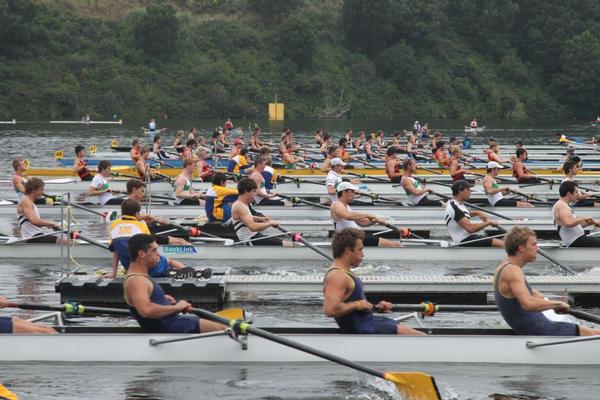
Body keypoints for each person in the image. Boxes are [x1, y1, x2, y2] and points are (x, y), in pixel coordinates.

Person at [494, 226, 600, 336]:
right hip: (539, 329)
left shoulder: (503, 266)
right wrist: (557, 304)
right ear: (521, 248)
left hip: (534, 325)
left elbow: (522, 296)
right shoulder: (512, 271)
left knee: (587, 330)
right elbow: (528, 304)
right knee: (594, 333)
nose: (537, 248)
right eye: (534, 244)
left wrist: (540, 298)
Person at [323, 228, 424, 335]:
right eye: (360, 249)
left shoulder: (344, 272)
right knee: (420, 337)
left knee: (413, 332)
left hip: (369, 322)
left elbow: (352, 306)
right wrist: (357, 304)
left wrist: (375, 306)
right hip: (362, 329)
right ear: (347, 250)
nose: (363, 254)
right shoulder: (337, 276)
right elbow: (330, 310)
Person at [123, 234, 224, 333]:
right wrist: (177, 307)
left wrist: (160, 298)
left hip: (170, 321)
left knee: (221, 323)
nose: (158, 254)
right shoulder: (136, 280)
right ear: (141, 254)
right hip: (170, 325)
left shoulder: (138, 276)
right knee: (224, 328)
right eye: (154, 250)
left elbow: (145, 303)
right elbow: (146, 310)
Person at [108, 200, 187, 279]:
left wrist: (113, 274)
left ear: (122, 212)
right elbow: (152, 246)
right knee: (168, 261)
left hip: (129, 269)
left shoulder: (114, 225)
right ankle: (189, 271)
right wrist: (158, 256)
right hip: (148, 268)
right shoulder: (141, 225)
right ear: (137, 214)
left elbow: (116, 251)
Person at [331, 182, 400, 247]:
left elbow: (362, 222)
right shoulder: (337, 204)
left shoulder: (346, 206)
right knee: (394, 245)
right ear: (344, 192)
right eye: (352, 191)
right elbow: (347, 216)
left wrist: (375, 220)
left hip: (357, 237)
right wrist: (368, 215)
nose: (354, 194)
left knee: (396, 245)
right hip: (350, 240)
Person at [125, 180, 190, 246]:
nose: (143, 194)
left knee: (181, 239)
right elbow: (129, 219)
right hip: (141, 237)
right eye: (142, 191)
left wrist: (157, 221)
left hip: (146, 232)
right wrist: (152, 217)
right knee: (180, 242)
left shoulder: (136, 205)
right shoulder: (127, 205)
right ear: (134, 190)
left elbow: (141, 220)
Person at [231, 178, 292, 245]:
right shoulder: (240, 207)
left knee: (283, 242)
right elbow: (253, 227)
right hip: (250, 240)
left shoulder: (242, 203)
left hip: (254, 237)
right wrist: (270, 223)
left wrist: (261, 218)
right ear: (246, 191)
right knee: (287, 244)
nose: (255, 194)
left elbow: (246, 217)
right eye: (253, 191)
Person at [445, 180, 504, 247]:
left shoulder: (455, 203)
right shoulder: (455, 208)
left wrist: (478, 213)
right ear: (460, 191)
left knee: (497, 236)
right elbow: (470, 229)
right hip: (464, 240)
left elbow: (462, 215)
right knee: (501, 243)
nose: (470, 192)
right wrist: (488, 223)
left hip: (467, 237)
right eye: (468, 189)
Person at [17, 178, 68, 244]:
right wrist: (52, 223)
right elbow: (34, 221)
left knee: (67, 240)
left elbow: (35, 223)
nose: (42, 193)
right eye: (41, 190)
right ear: (33, 190)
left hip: (36, 236)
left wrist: (49, 225)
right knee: (67, 241)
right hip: (32, 238)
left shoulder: (29, 202)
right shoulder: (26, 202)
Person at [553, 181, 600, 247]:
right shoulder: (561, 206)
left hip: (578, 239)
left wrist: (592, 223)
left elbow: (574, 225)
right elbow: (568, 223)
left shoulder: (564, 205)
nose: (578, 195)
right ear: (569, 193)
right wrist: (584, 218)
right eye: (576, 192)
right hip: (576, 240)